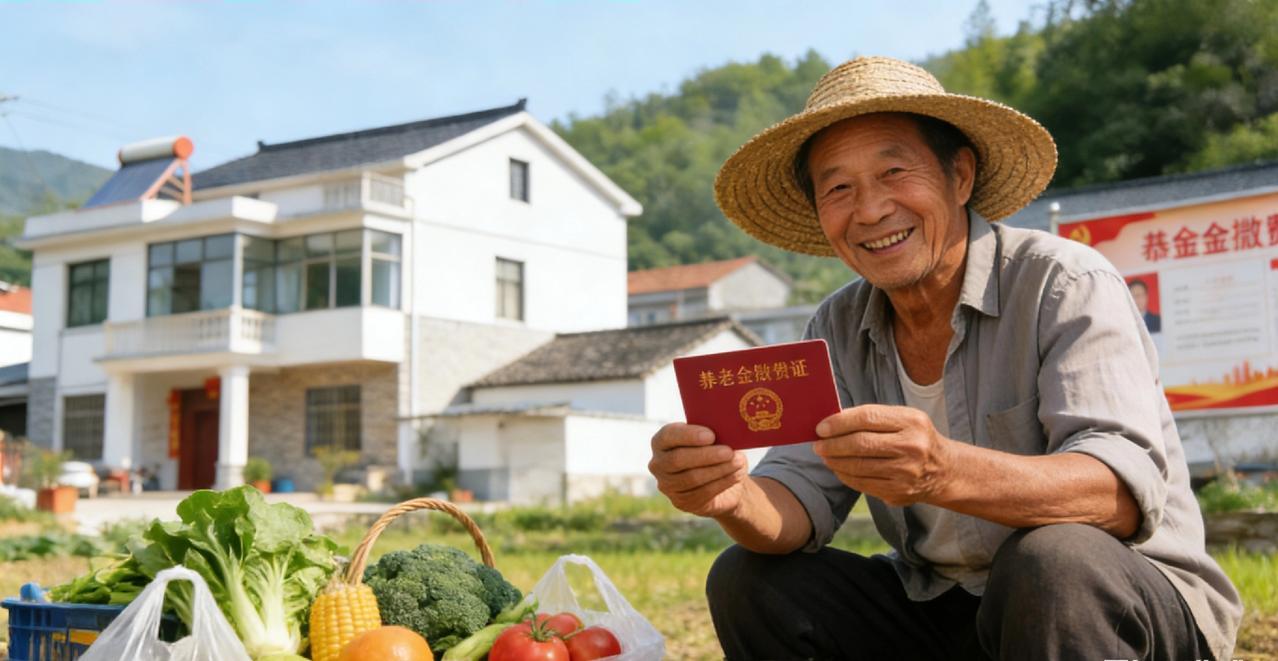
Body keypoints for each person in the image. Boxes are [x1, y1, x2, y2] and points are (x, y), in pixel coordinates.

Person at [647, 56, 1241, 660]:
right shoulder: (837, 325)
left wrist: (941, 469)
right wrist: (728, 495)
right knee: (749, 579)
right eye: (839, 188)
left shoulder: (1062, 282)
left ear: (960, 176)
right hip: (948, 609)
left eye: (894, 172)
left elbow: (1114, 494)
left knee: (1053, 558)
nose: (871, 210)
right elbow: (797, 498)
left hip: (1117, 602)